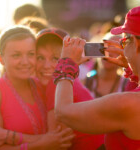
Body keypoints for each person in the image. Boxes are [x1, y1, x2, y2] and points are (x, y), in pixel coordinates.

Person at [54, 6, 140, 150]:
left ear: (136, 43)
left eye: (125, 41)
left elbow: (63, 112)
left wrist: (66, 66)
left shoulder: (128, 104)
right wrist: (133, 67)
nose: (123, 48)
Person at [0, 25, 74, 150]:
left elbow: (61, 138)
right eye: (16, 55)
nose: (25, 62)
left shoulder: (43, 85)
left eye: (31, 54)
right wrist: (39, 145)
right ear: (1, 59)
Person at [35, 28, 104, 150]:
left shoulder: (57, 83)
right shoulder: (69, 80)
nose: (46, 66)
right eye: (40, 58)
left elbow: (57, 143)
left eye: (56, 59)